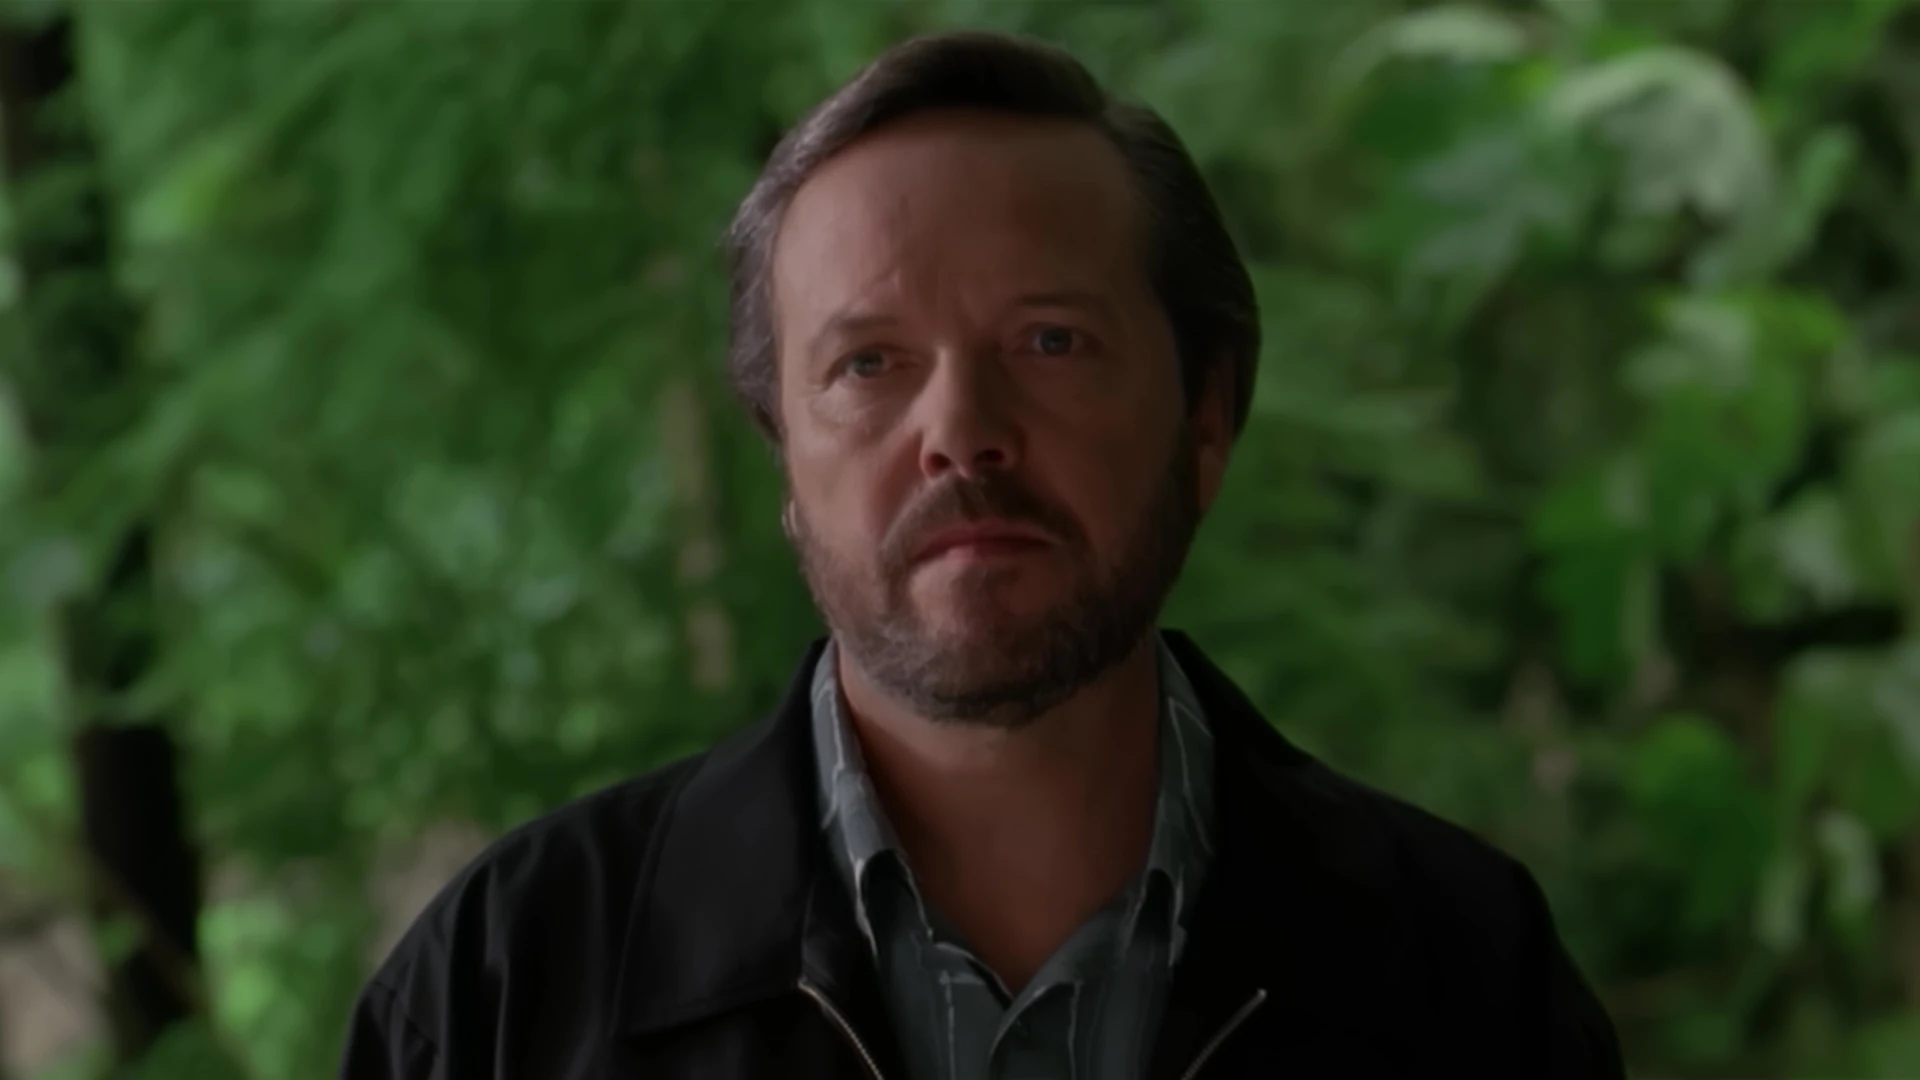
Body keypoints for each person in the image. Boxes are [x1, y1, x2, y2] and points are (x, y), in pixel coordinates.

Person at [338, 29, 1624, 1080]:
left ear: (1207, 420)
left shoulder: (1465, 976)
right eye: (868, 364)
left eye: (1051, 342)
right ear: (782, 454)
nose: (961, 433)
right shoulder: (504, 991)